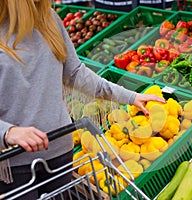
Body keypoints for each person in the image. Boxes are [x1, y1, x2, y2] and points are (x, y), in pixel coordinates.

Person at [0, 0, 165, 199]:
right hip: (14, 163)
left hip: (60, 149)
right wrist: (8, 132)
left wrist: (129, 96)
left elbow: (76, 73)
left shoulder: (49, 19)